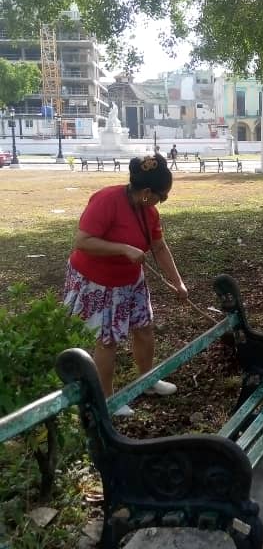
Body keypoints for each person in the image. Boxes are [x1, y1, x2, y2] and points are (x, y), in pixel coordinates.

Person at [63, 154, 188, 417]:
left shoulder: (149, 212)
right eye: (162, 196)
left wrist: (178, 283)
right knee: (107, 340)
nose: (162, 201)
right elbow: (82, 241)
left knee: (144, 328)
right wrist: (123, 249)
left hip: (131, 279)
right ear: (146, 192)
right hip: (99, 281)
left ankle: (148, 381)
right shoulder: (107, 200)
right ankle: (108, 400)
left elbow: (159, 247)